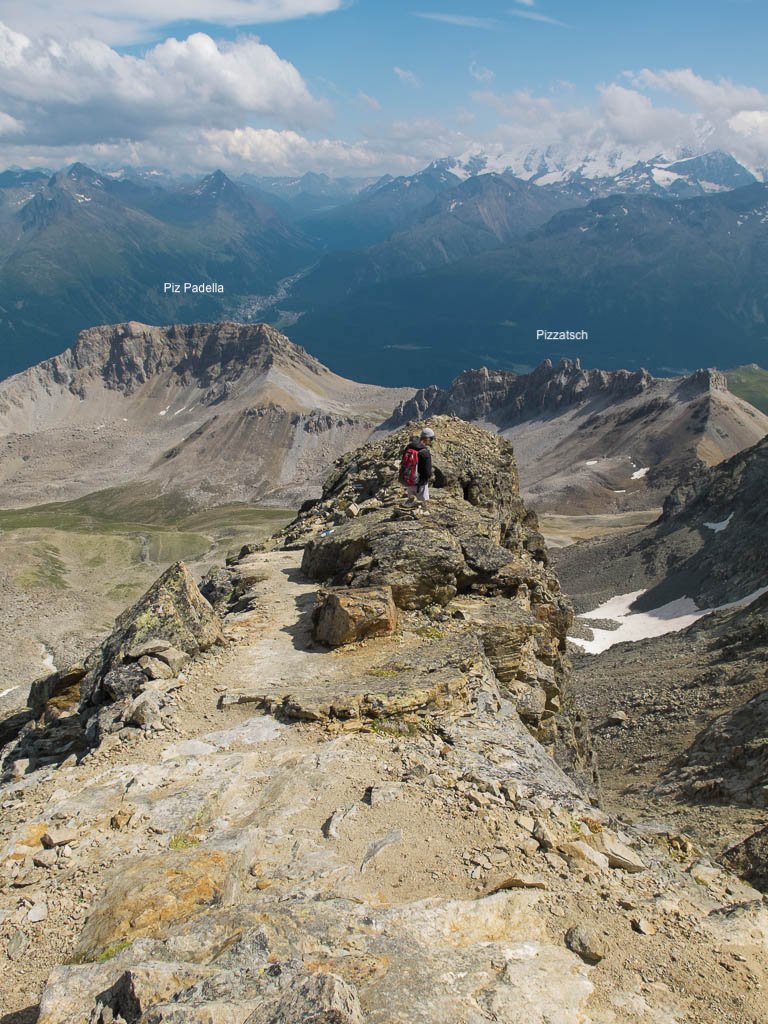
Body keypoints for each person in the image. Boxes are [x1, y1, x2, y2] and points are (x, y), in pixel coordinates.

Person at [399, 427, 435, 508]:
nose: (431, 441)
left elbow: (404, 461)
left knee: (411, 505)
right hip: (420, 485)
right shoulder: (424, 452)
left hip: (409, 482)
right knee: (424, 506)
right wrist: (427, 479)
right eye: (431, 439)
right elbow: (428, 472)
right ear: (427, 438)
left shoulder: (409, 447)